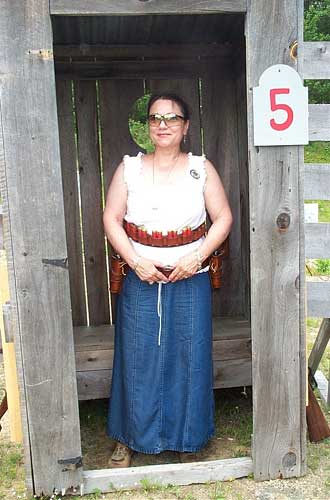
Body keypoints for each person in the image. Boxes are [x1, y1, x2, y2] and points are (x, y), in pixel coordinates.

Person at [103, 92, 233, 468]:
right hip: (140, 273)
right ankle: (129, 437)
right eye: (156, 119)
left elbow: (222, 217)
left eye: (172, 118)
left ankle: (188, 439)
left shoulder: (201, 168)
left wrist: (197, 257)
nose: (163, 125)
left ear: (185, 126)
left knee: (189, 353)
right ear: (147, 126)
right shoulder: (129, 169)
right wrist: (135, 260)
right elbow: (112, 217)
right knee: (136, 354)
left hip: (190, 273)